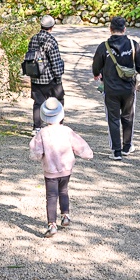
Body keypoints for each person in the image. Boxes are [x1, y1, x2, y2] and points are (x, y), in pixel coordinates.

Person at [29, 98, 93, 238]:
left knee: (51, 196)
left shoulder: (42, 133)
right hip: (66, 169)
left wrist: (37, 156)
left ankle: (52, 224)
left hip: (50, 170)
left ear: (44, 116)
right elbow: (79, 144)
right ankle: (65, 216)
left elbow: (36, 151)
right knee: (63, 191)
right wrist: (87, 154)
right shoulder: (67, 131)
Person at [91, 16, 140, 161]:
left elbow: (96, 66)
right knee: (128, 117)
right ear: (124, 29)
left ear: (110, 29)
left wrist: (97, 74)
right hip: (129, 88)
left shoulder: (104, 46)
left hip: (110, 89)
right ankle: (127, 146)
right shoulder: (133, 45)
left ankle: (116, 151)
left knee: (113, 119)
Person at [25, 15, 65, 135]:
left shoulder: (34, 38)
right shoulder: (50, 40)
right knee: (59, 100)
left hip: (35, 76)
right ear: (51, 27)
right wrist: (58, 77)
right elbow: (55, 61)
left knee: (38, 103)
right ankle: (57, 125)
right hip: (50, 78)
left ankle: (36, 128)